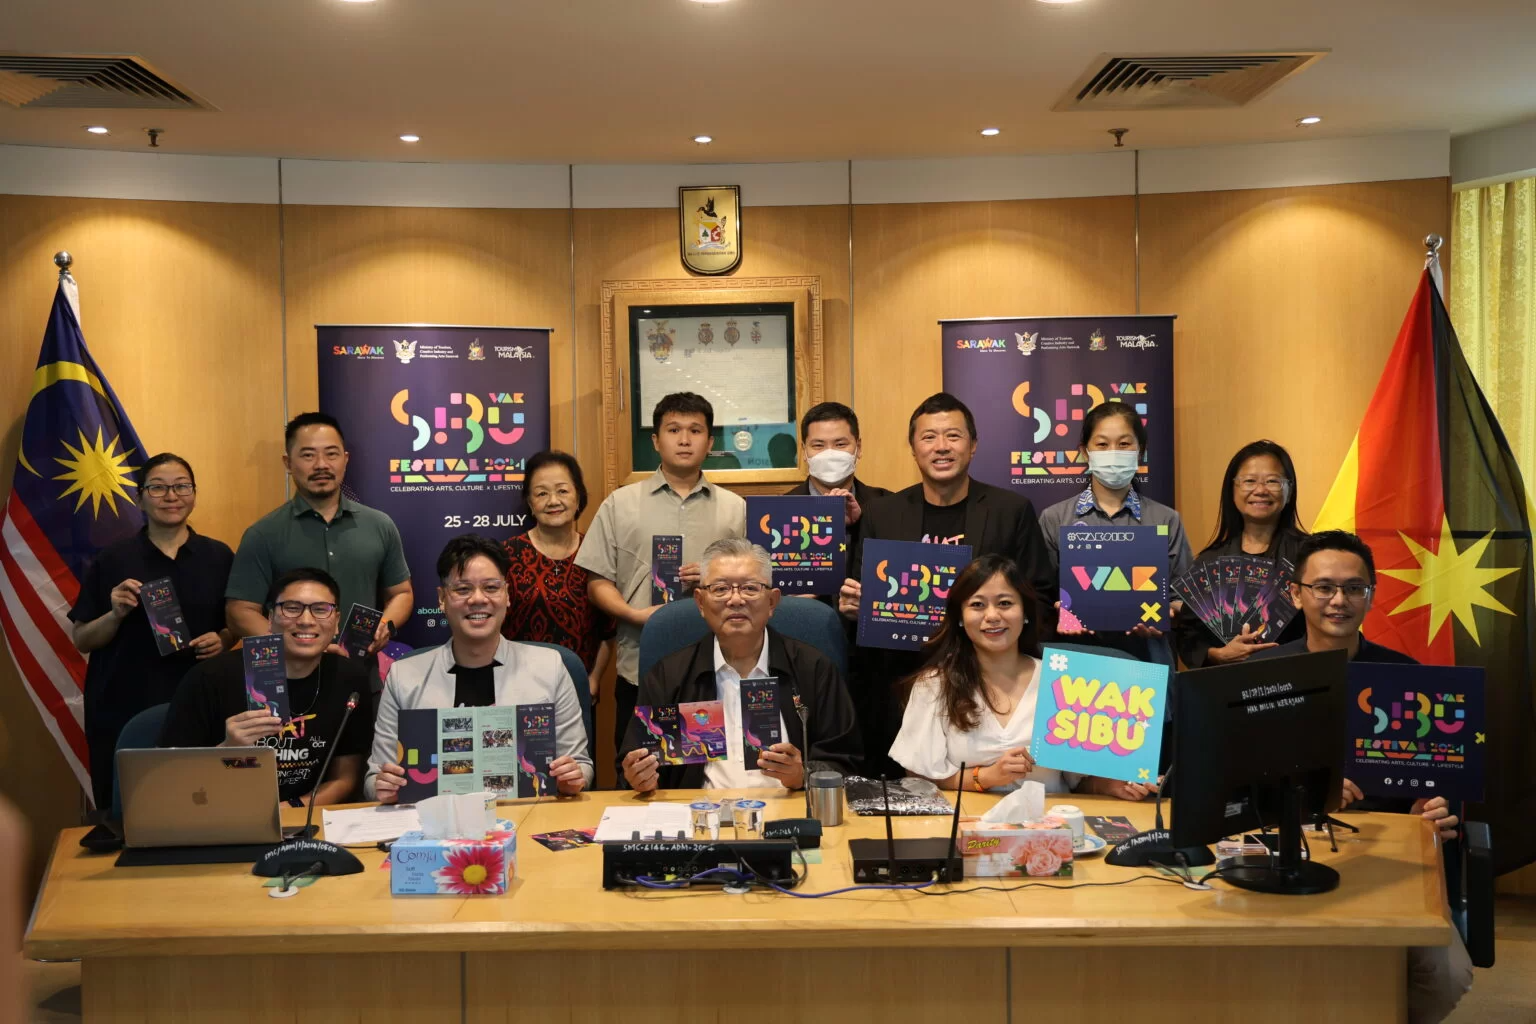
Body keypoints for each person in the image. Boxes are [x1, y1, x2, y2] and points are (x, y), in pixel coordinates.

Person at [1254, 530, 1471, 1023]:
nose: (1338, 600)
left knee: (1448, 974)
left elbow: (1443, 786)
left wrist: (1439, 809)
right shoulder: (1258, 677)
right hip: (1285, 852)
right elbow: (1229, 783)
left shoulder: (1410, 679)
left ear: (1371, 595)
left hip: (1389, 863)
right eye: (1323, 587)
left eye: (1354, 588)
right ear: (1296, 594)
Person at [839, 392, 1055, 775]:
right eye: (929, 437)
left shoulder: (1011, 511)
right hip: (901, 675)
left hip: (987, 679)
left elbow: (1039, 595)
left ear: (973, 445)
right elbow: (864, 591)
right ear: (913, 448)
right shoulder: (883, 514)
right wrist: (857, 606)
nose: (941, 447)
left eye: (953, 436)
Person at [576, 392, 746, 769]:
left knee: (707, 774)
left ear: (710, 442)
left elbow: (753, 582)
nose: (684, 439)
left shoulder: (736, 507)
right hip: (640, 665)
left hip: (718, 667)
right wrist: (635, 615)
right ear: (656, 440)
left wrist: (715, 575)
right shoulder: (620, 504)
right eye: (673, 429)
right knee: (642, 774)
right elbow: (597, 580)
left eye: (695, 430)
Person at [890, 554, 1148, 799]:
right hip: (965, 827)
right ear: (960, 617)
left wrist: (1111, 786)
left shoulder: (1064, 680)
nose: (992, 616)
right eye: (977, 605)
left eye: (1005, 603)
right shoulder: (934, 684)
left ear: (1024, 613)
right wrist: (986, 777)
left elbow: (1079, 781)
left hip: (1050, 830)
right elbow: (918, 776)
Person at [620, 538, 860, 792]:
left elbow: (847, 762)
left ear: (772, 602)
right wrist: (639, 777)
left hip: (790, 815)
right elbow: (634, 762)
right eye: (721, 589)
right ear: (700, 602)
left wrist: (804, 775)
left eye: (750, 588)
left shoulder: (813, 669)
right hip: (700, 817)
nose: (735, 600)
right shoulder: (669, 675)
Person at [367, 535, 593, 801]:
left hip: (527, 821)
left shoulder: (550, 666)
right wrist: (383, 786)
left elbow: (582, 767)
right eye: (463, 589)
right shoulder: (404, 675)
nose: (477, 599)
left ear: (507, 595)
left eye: (491, 587)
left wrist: (572, 777)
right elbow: (373, 780)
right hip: (434, 830)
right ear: (441, 599)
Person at [68, 453, 234, 810]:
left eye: (181, 486)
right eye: (157, 487)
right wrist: (114, 614)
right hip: (122, 702)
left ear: (194, 493)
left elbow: (235, 624)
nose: (171, 496)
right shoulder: (113, 559)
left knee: (201, 803)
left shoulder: (219, 556)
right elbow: (81, 639)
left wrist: (224, 639)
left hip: (199, 701)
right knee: (128, 808)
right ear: (140, 497)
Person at [158, 568, 374, 806]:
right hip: (223, 814)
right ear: (270, 619)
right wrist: (227, 749)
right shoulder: (210, 677)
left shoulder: (349, 679)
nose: (305, 620)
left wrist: (291, 810)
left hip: (307, 818)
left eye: (321, 610)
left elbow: (345, 778)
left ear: (336, 623)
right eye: (292, 608)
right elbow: (172, 778)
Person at [225, 412, 412, 671]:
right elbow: (239, 611)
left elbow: (401, 593)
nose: (321, 464)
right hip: (286, 678)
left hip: (359, 673)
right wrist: (296, 647)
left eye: (331, 454)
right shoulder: (263, 533)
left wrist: (385, 626)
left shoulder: (379, 525)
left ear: (345, 460)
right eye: (308, 455)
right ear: (288, 463)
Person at [1037, 402, 1193, 666]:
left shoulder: (1166, 519)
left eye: (1124, 444)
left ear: (1140, 451)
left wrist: (1167, 614)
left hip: (1148, 658)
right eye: (1102, 444)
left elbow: (1184, 599)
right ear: (1084, 452)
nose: (1113, 453)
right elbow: (1041, 595)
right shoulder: (1055, 519)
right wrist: (1056, 611)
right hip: (1076, 659)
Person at [1171, 439, 1307, 668]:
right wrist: (1217, 654)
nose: (1261, 490)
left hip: (1297, 680)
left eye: (1273, 481)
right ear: (1232, 490)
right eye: (1249, 481)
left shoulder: (1311, 556)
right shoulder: (1209, 561)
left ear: (1289, 488)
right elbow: (1188, 635)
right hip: (1227, 689)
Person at [500, 450, 615, 701]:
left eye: (562, 491)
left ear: (578, 497)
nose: (553, 501)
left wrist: (594, 679)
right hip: (515, 690)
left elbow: (608, 632)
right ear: (530, 503)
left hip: (577, 691)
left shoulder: (596, 554)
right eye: (542, 493)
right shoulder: (506, 555)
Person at [784, 401, 890, 553]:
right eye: (818, 445)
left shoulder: (887, 506)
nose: (830, 453)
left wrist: (858, 524)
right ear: (804, 451)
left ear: (858, 448)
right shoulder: (781, 510)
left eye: (840, 444)